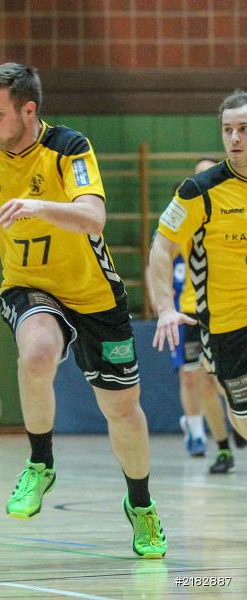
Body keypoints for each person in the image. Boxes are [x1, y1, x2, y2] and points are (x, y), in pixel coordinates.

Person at [0, 63, 166, 558]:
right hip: (28, 286)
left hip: (95, 296)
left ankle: (140, 504)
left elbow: (93, 216)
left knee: (122, 411)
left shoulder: (70, 148)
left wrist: (39, 206)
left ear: (28, 111)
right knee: (36, 352)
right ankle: (40, 463)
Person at [149, 89, 247, 461]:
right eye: (228, 129)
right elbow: (161, 246)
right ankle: (219, 439)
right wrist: (164, 307)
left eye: (243, 128)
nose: (235, 137)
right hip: (226, 323)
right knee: (240, 412)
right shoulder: (199, 191)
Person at [166, 158, 241, 473]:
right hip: (191, 311)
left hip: (230, 311)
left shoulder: (233, 210)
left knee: (226, 381)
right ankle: (219, 446)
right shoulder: (186, 213)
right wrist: (163, 306)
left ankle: (237, 417)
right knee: (199, 379)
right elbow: (161, 253)